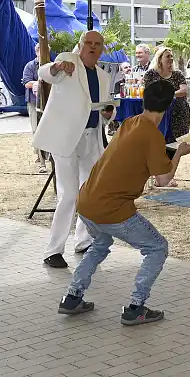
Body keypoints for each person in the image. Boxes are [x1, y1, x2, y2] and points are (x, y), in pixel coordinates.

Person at [56, 80, 190, 325]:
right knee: (157, 248)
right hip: (112, 209)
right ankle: (135, 307)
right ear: (169, 105)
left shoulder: (131, 123)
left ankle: (72, 297)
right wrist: (180, 153)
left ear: (144, 100)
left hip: (87, 201)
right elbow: (163, 179)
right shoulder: (152, 134)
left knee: (100, 243)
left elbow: (136, 154)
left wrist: (168, 152)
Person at [33, 31, 116, 269]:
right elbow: (45, 73)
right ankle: (53, 250)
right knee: (69, 194)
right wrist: (57, 66)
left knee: (88, 193)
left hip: (91, 139)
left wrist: (110, 114)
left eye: (96, 44)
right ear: (80, 46)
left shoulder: (102, 75)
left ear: (102, 49)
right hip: (65, 139)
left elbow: (105, 105)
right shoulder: (69, 62)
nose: (92, 47)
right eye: (87, 43)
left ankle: (84, 241)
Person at [144, 47, 190, 143]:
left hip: (178, 113)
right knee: (157, 142)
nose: (171, 58)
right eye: (168, 56)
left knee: (176, 144)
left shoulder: (178, 74)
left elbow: (184, 91)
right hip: (158, 114)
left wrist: (167, 95)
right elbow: (148, 92)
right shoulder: (150, 74)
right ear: (160, 59)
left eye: (172, 56)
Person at [21, 43, 46, 172]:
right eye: (42, 51)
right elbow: (26, 83)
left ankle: (46, 156)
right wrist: (36, 83)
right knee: (37, 130)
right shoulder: (30, 66)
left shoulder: (50, 65)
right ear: (37, 52)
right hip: (33, 102)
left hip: (48, 103)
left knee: (48, 130)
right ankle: (42, 162)